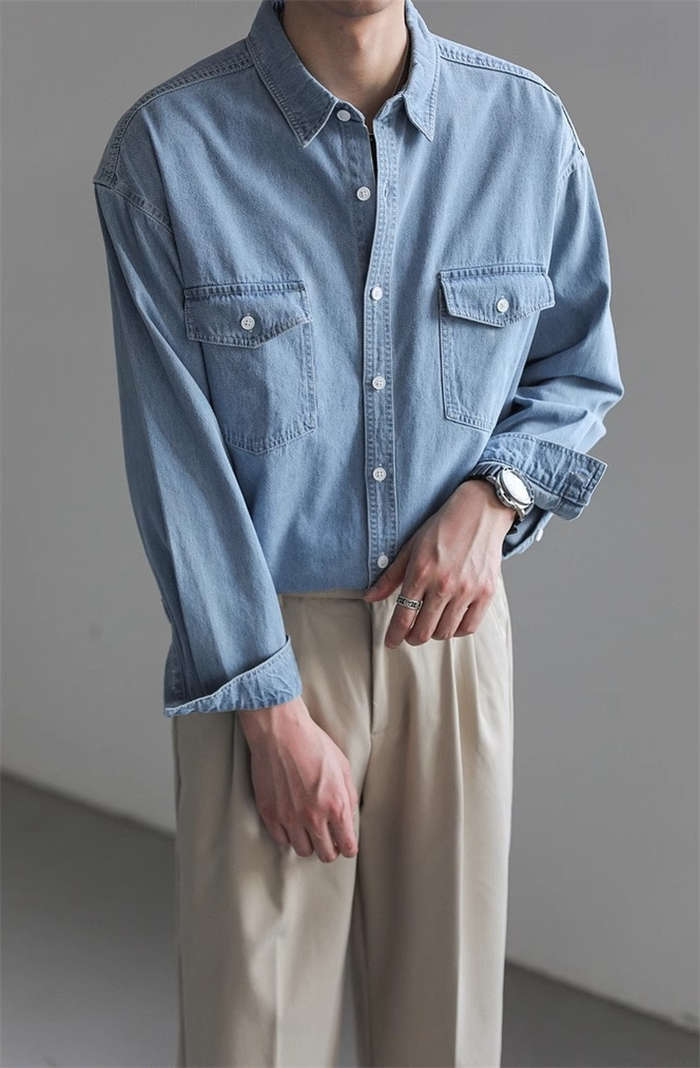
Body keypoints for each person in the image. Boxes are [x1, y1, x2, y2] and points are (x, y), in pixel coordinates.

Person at [92, 0, 624, 1064]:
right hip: (265, 650)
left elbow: (577, 372)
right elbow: (175, 465)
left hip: (453, 640)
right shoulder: (168, 150)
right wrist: (268, 712)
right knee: (255, 1037)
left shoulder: (524, 129)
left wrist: (494, 499)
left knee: (446, 1030)